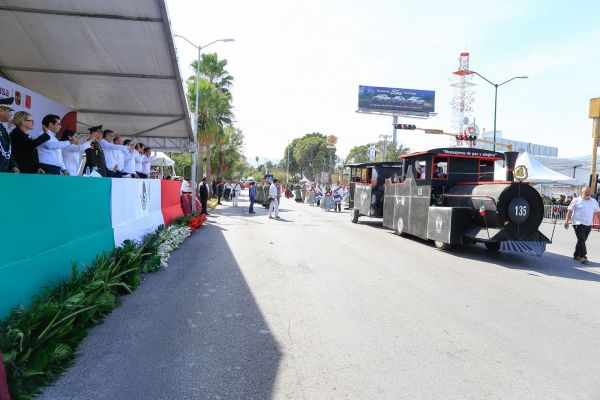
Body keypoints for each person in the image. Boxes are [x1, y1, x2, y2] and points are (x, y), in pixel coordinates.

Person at [564, 187, 600, 264]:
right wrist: (567, 221)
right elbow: (570, 211)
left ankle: (576, 255)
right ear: (582, 192)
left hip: (588, 223)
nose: (588, 193)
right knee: (582, 239)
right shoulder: (576, 200)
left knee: (582, 240)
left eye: (589, 192)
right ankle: (583, 256)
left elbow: (597, 213)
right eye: (586, 192)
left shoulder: (594, 201)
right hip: (577, 223)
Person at [0, 97, 19, 173]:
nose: (10, 114)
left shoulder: (2, 128)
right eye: (9, 111)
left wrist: (13, 165)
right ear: (1, 110)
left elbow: (7, 149)